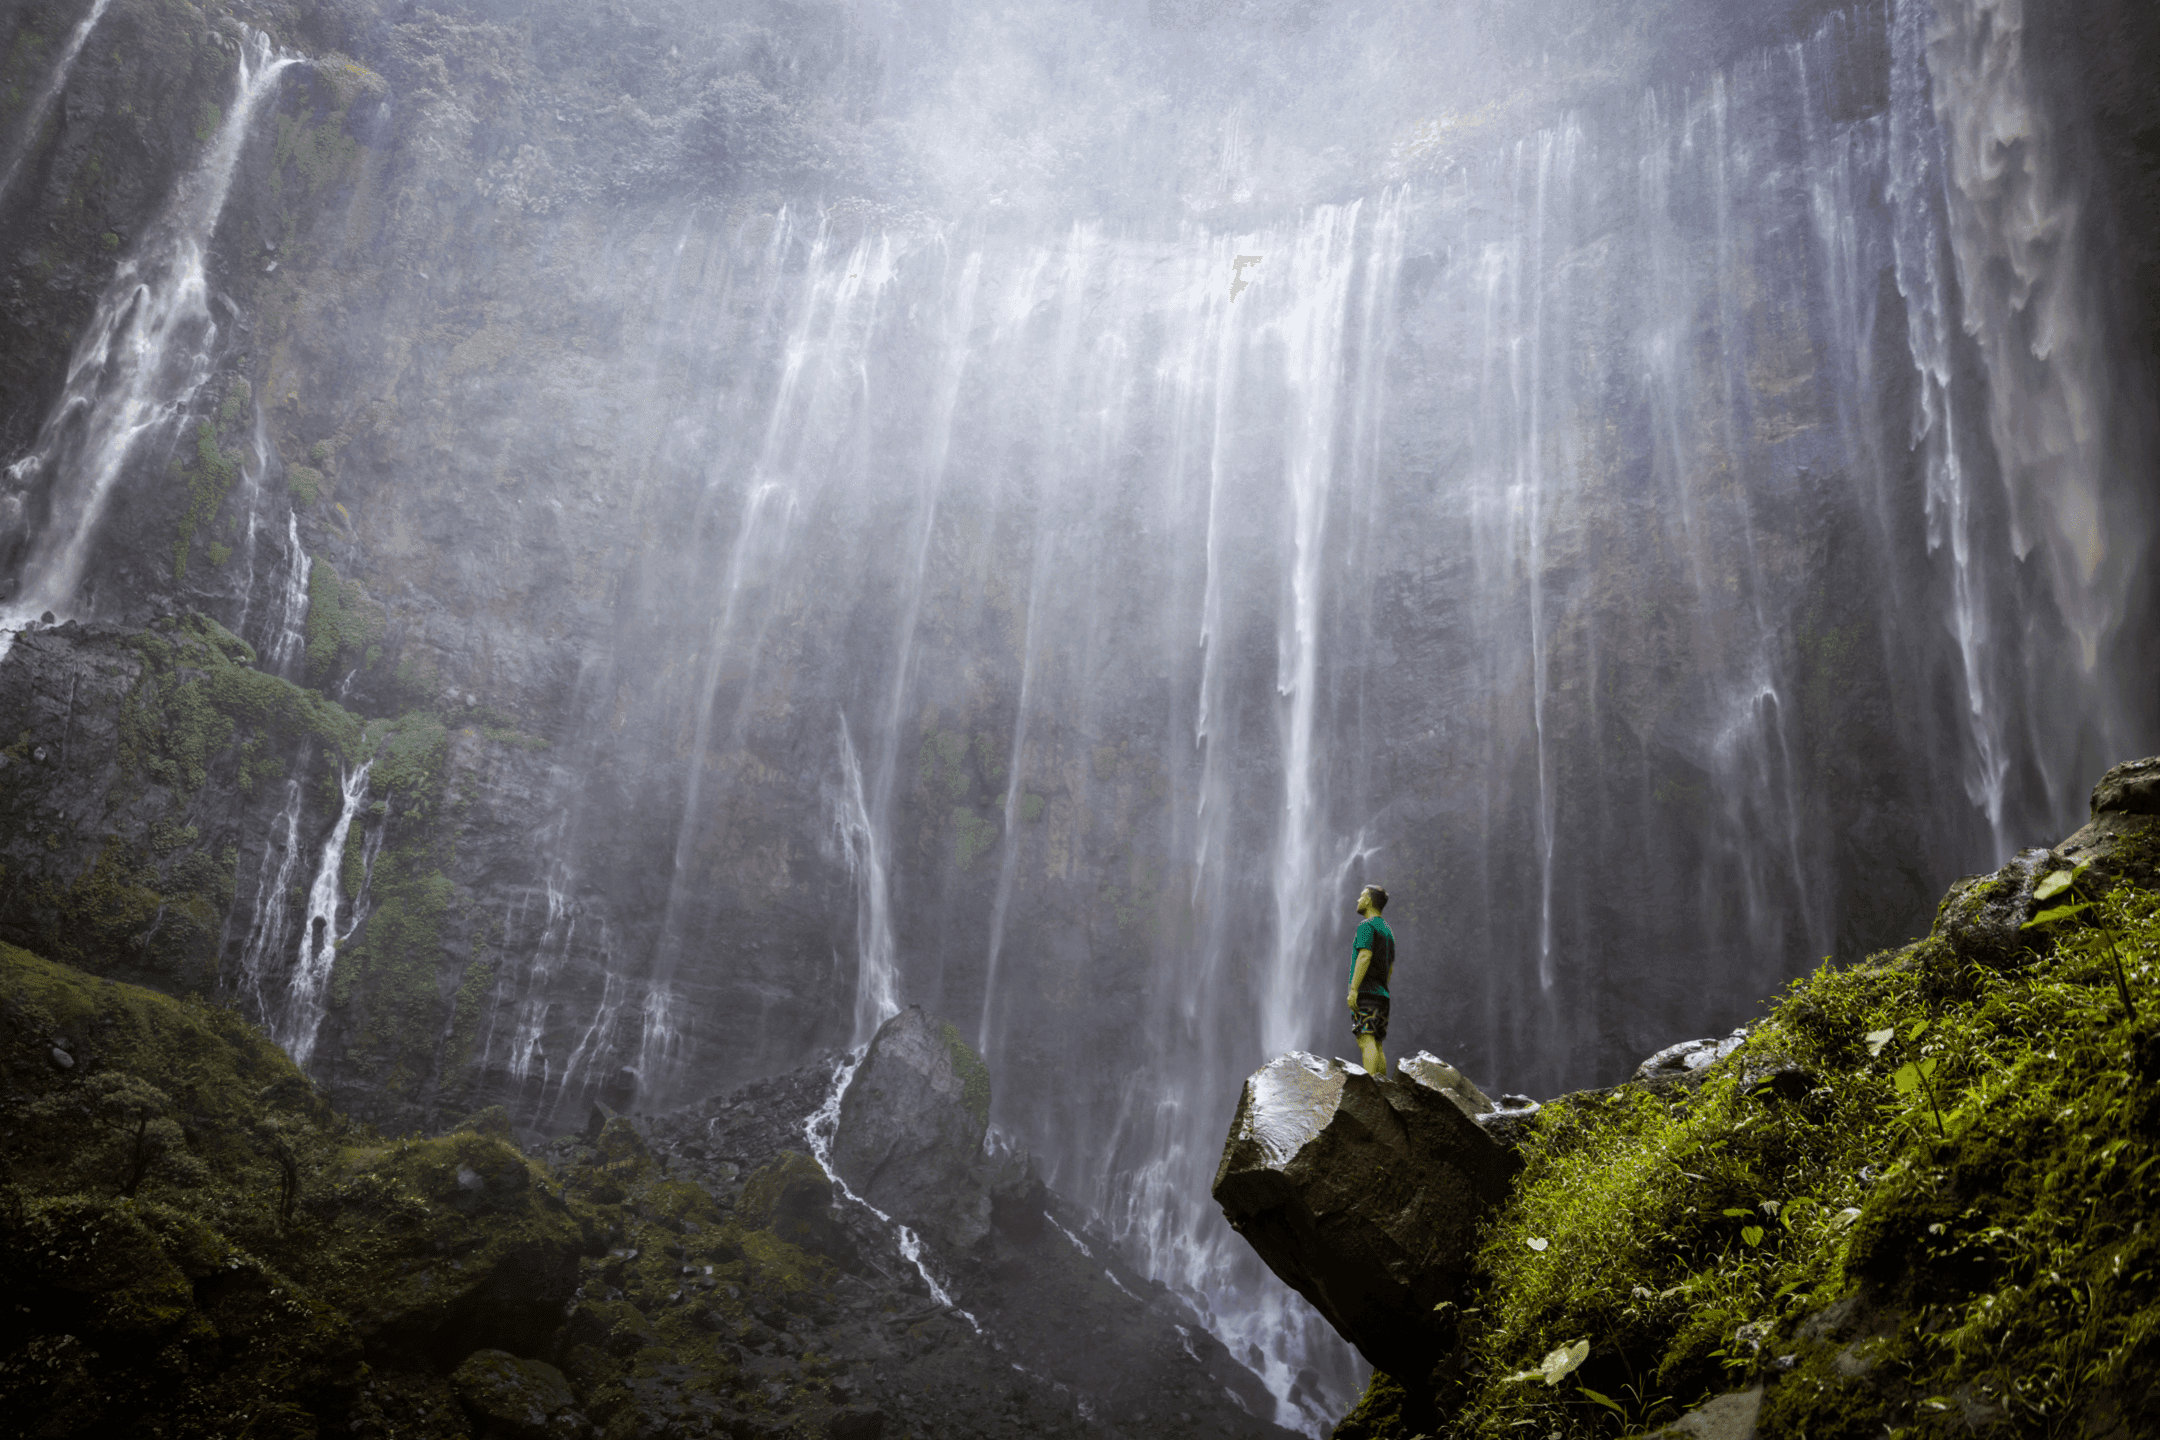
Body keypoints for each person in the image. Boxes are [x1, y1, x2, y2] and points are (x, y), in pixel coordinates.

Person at [1344, 884, 1394, 1077]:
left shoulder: (1367, 926)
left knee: (1365, 1039)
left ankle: (1370, 1089)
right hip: (1382, 994)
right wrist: (1382, 987)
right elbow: (1389, 967)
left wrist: (1354, 989)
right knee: (1377, 1042)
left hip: (1367, 993)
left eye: (1361, 896)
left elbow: (1364, 956)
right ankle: (1382, 1089)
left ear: (1368, 900)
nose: (1358, 900)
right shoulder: (1387, 931)